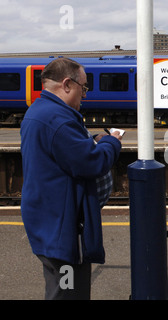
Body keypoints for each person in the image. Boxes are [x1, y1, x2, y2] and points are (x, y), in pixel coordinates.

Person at [20, 58, 123, 300]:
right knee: (68, 293)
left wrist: (92, 140)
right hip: (62, 233)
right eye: (83, 87)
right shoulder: (58, 120)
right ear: (67, 84)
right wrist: (111, 141)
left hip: (49, 223)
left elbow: (68, 151)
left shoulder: (41, 111)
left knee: (60, 290)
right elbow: (93, 163)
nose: (85, 95)